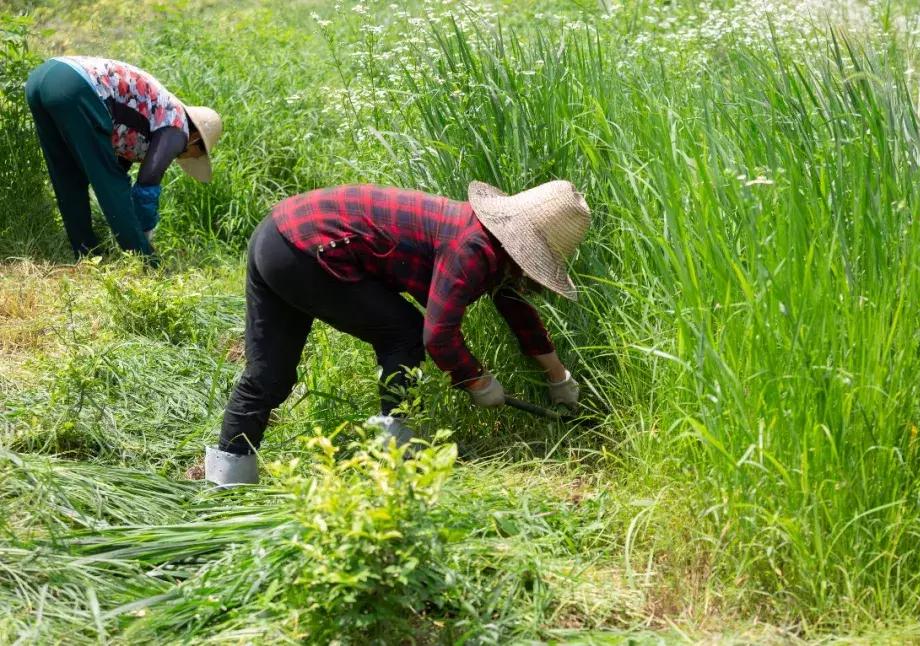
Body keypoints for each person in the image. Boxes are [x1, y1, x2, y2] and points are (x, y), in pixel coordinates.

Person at [202, 180, 591, 485]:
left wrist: (559, 377)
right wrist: (477, 380)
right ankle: (394, 455)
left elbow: (517, 310)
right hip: (308, 248)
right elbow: (438, 336)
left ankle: (227, 479)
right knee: (403, 334)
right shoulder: (473, 247)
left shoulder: (489, 242)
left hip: (278, 234)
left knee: (269, 375)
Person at [25, 56, 222, 259]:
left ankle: (87, 254)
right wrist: (144, 234)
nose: (185, 155)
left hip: (41, 80)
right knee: (111, 184)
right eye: (197, 153)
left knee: (68, 177)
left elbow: (115, 166)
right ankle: (145, 262)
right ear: (195, 137)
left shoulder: (150, 121)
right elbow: (145, 185)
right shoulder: (178, 127)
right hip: (76, 86)